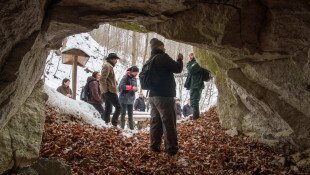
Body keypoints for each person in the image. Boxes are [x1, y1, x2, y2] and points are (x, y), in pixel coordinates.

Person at [148, 38, 183, 156]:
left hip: (152, 96)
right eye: (163, 46)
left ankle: (154, 146)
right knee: (169, 122)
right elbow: (177, 69)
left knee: (155, 121)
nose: (165, 48)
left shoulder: (150, 59)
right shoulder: (162, 57)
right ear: (158, 47)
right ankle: (171, 149)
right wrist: (180, 59)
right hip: (164, 96)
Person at [100, 53, 122, 126]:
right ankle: (114, 123)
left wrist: (114, 82)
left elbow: (108, 78)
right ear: (112, 59)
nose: (116, 61)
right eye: (116, 59)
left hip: (109, 90)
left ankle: (106, 123)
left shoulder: (109, 66)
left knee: (108, 107)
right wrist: (105, 90)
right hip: (110, 91)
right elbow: (102, 79)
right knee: (119, 107)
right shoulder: (107, 66)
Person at [184, 53, 205, 120]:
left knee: (194, 101)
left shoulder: (197, 62)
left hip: (196, 84)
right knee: (194, 101)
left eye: (192, 55)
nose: (190, 57)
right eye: (190, 55)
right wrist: (191, 61)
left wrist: (192, 61)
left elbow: (191, 70)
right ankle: (195, 117)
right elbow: (188, 67)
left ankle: (195, 118)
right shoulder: (193, 62)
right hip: (194, 84)